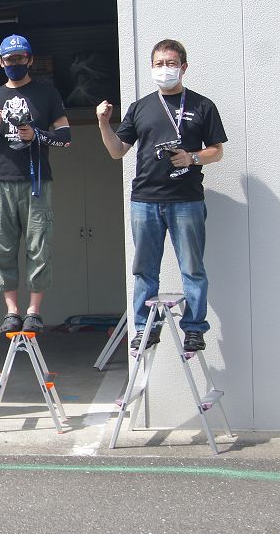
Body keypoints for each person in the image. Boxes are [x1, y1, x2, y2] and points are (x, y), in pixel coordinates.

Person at [96, 39, 226, 353]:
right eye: (158, 64)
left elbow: (217, 151)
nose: (164, 69)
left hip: (187, 200)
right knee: (144, 269)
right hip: (145, 200)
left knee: (192, 268)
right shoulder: (140, 107)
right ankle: (145, 327)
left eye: (170, 63)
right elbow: (117, 151)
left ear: (183, 67)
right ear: (151, 67)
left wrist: (192, 158)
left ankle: (194, 329)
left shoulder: (202, 105)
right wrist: (103, 123)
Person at [0, 34, 71, 335]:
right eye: (9, 59)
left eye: (19, 58)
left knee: (38, 244)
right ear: (1, 62)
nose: (14, 63)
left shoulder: (47, 94)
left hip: (36, 180)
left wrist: (36, 135)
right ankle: (11, 311)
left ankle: (34, 311)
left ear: (29, 60)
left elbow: (66, 138)